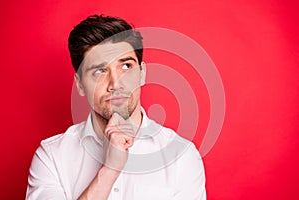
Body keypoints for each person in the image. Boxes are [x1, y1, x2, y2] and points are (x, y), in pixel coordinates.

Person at [26, 14, 206, 200]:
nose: (116, 83)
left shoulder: (181, 156)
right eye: (100, 71)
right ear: (80, 84)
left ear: (142, 74)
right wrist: (110, 169)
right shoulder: (52, 157)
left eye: (126, 66)